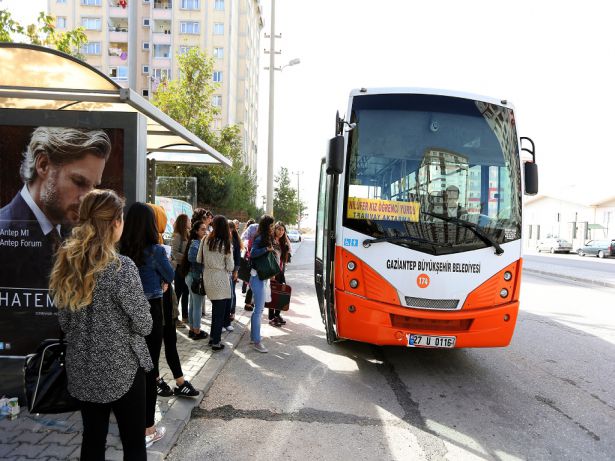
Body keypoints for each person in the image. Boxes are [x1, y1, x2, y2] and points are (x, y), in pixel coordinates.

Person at [49, 189, 151, 460]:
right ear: (115, 222)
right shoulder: (122, 268)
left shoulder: (68, 266)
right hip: (124, 372)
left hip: (83, 370)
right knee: (133, 444)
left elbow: (66, 324)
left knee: (92, 440)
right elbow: (145, 325)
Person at [0, 127, 111, 290]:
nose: (87, 197)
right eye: (79, 182)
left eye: (93, 186)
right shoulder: (4, 230)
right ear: (43, 165)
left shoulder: (78, 234)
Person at [119, 202, 175, 448]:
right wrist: (162, 280)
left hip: (123, 312)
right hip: (151, 311)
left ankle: (128, 422)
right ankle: (148, 428)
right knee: (149, 370)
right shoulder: (156, 251)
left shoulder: (120, 250)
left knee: (129, 369)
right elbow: (171, 275)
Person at [147, 205, 199, 399]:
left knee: (171, 341)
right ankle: (157, 379)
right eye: (160, 218)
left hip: (167, 302)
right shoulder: (150, 248)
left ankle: (179, 381)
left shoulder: (159, 242)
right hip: (156, 303)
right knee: (155, 346)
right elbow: (168, 274)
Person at [198, 215, 235, 351]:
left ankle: (213, 338)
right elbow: (230, 266)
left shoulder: (205, 239)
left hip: (208, 276)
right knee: (219, 312)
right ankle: (216, 343)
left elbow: (198, 259)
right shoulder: (226, 243)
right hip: (221, 278)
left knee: (215, 310)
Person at [249, 215, 275, 353]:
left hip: (260, 277)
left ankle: (254, 338)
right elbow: (252, 253)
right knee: (258, 311)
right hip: (257, 277)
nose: (273, 228)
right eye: (271, 226)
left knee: (257, 310)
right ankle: (257, 342)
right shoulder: (260, 238)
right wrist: (266, 250)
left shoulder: (264, 237)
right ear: (266, 226)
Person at [182, 220, 209, 340]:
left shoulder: (198, 242)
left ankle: (193, 329)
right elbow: (191, 257)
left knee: (193, 304)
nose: (205, 231)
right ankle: (196, 331)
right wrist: (205, 259)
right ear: (197, 231)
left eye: (206, 229)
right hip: (195, 277)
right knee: (196, 305)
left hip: (193, 276)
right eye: (202, 229)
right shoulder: (196, 243)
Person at [269, 221, 291, 327]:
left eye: (283, 230)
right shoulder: (271, 241)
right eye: (279, 229)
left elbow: (290, 249)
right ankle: (272, 317)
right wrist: (271, 274)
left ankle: (277, 315)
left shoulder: (282, 242)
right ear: (275, 229)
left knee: (282, 293)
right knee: (273, 294)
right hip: (272, 271)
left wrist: (285, 237)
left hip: (280, 271)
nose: (281, 232)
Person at [171, 213, 190, 324]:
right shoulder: (177, 235)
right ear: (184, 222)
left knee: (186, 292)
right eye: (188, 220)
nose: (190, 222)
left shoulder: (187, 234)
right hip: (179, 267)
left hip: (186, 268)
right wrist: (186, 257)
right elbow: (174, 253)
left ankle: (185, 316)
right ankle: (174, 317)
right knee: (178, 292)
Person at [228, 221, 243, 323]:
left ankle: (232, 312)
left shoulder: (235, 241)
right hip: (226, 271)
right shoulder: (224, 239)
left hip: (232, 269)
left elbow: (237, 258)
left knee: (232, 292)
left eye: (230, 228)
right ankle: (228, 312)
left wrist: (236, 272)